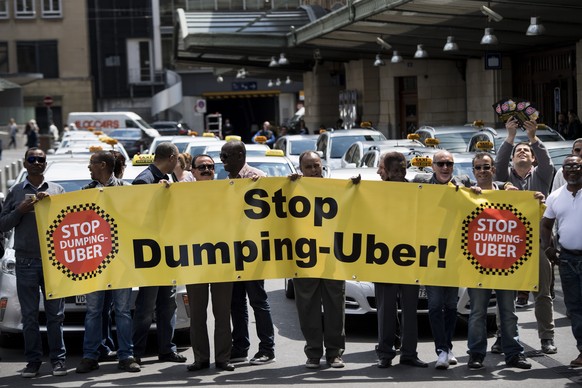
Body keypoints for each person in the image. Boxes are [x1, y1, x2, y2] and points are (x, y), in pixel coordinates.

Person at [0, 148, 67, 378]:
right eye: (33, 159)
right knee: (29, 316)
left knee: (55, 315)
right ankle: (33, 362)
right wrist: (20, 210)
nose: (37, 162)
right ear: (25, 163)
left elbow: (68, 226)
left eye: (41, 159)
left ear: (45, 163)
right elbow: (3, 224)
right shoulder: (16, 191)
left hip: (53, 262)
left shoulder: (57, 190)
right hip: (26, 261)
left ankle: (58, 361)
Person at [493, 117, 557, 355]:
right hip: (508, 244)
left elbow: (547, 161)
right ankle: (503, 336)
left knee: (542, 293)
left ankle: (546, 338)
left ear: (532, 159)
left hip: (537, 245)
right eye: (517, 151)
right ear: (512, 159)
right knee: (505, 293)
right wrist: (510, 137)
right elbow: (498, 164)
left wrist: (533, 138)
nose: (522, 152)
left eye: (526, 151)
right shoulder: (503, 178)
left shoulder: (542, 176)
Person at [76, 151, 140, 374]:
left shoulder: (126, 190)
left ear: (102, 165)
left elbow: (139, 217)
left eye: (91, 164)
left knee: (122, 310)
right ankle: (90, 356)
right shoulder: (85, 193)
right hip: (95, 263)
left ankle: (126, 355)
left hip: (121, 263)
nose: (89, 168)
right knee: (93, 310)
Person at [466, 152, 532, 370]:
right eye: (478, 168)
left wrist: (535, 201)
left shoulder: (509, 194)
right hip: (476, 266)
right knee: (477, 313)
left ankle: (514, 353)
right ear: (473, 171)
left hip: (505, 264)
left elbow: (525, 216)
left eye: (486, 167)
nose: (482, 171)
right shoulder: (466, 195)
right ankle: (476, 354)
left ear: (493, 169)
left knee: (508, 312)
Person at [413, 150, 472, 369]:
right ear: (433, 166)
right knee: (435, 304)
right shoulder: (421, 183)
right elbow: (394, 192)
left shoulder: (463, 182)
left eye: (449, 164)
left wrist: (506, 187)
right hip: (430, 254)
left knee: (450, 305)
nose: (446, 167)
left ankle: (447, 348)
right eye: (441, 163)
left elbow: (488, 186)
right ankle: (441, 350)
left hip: (454, 255)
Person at [220, 140, 276, 366]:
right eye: (221, 156)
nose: (222, 160)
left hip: (252, 252)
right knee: (236, 303)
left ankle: (267, 349)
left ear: (240, 155)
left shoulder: (257, 177)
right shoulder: (226, 181)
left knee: (258, 300)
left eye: (226, 156)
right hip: (233, 252)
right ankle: (240, 346)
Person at [289, 151, 346, 369]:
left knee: (335, 305)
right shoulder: (292, 188)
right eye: (309, 167)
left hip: (332, 257)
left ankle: (334, 353)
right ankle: (313, 352)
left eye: (317, 166)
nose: (314, 170)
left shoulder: (335, 188)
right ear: (300, 169)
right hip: (304, 258)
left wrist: (356, 188)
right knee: (307, 307)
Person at [131, 142, 187, 365]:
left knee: (168, 303)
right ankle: (137, 351)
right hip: (150, 255)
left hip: (167, 253)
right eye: (177, 158)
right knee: (146, 306)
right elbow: (137, 216)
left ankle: (167, 349)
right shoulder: (144, 180)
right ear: (172, 157)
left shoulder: (169, 179)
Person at [375, 152, 427, 369]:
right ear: (386, 171)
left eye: (403, 168)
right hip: (383, 260)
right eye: (395, 169)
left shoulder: (418, 191)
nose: (400, 173)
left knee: (410, 308)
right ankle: (385, 354)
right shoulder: (374, 193)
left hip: (410, 259)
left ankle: (409, 353)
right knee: (386, 310)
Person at [186, 154, 235, 372]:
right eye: (202, 167)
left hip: (221, 262)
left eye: (210, 166)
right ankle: (201, 358)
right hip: (194, 263)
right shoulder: (180, 194)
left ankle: (223, 358)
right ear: (193, 171)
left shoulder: (227, 191)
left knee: (223, 313)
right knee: (197, 315)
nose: (206, 169)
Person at [541, 154, 582, 367]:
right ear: (563, 172)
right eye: (568, 167)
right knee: (574, 307)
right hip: (567, 259)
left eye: (577, 166)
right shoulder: (555, 196)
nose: (573, 170)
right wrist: (547, 246)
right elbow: (546, 223)